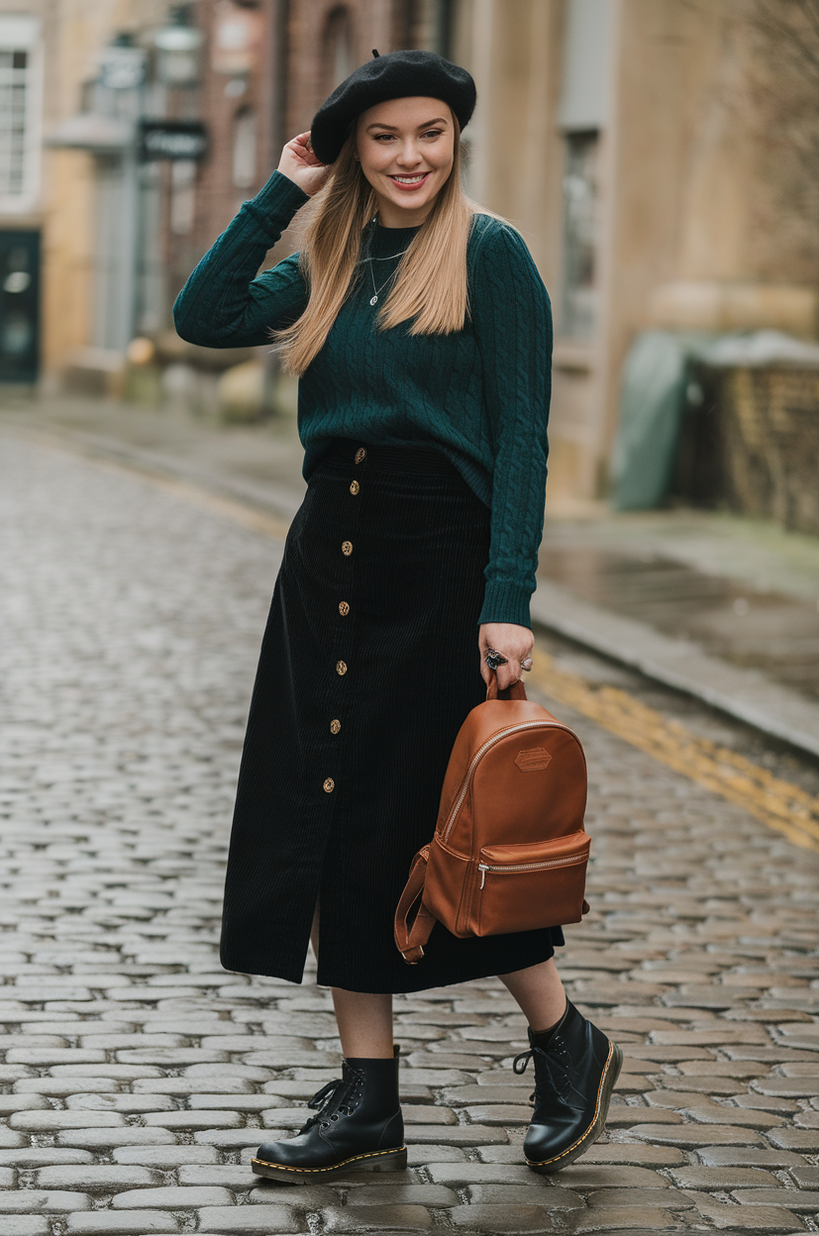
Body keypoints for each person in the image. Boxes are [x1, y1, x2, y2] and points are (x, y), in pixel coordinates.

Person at [174, 48, 621, 1184]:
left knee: (453, 827)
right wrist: (288, 186)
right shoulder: (326, 258)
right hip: (328, 563)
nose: (410, 155)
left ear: (452, 138)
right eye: (383, 136)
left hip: (439, 564)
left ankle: (563, 1040)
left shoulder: (490, 255)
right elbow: (204, 312)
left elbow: (523, 437)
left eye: (429, 132)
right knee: (333, 824)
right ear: (352, 150)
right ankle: (367, 1099)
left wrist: (505, 601)